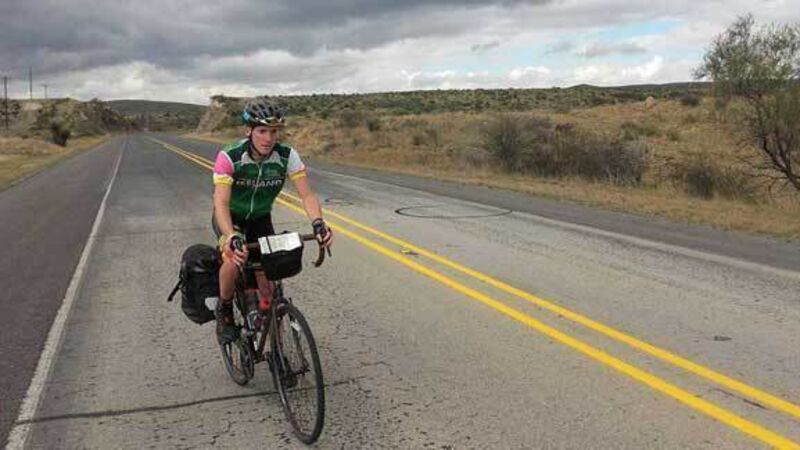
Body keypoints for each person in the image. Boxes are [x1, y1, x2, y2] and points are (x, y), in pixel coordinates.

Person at [212, 96, 333, 343]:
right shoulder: (230, 156)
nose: (268, 138)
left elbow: (307, 195)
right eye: (262, 131)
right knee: (234, 259)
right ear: (249, 131)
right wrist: (231, 236)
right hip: (230, 218)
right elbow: (221, 203)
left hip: (260, 218)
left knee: (268, 279)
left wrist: (318, 223)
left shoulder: (287, 156)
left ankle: (272, 337)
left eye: (274, 131)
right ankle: (224, 309)